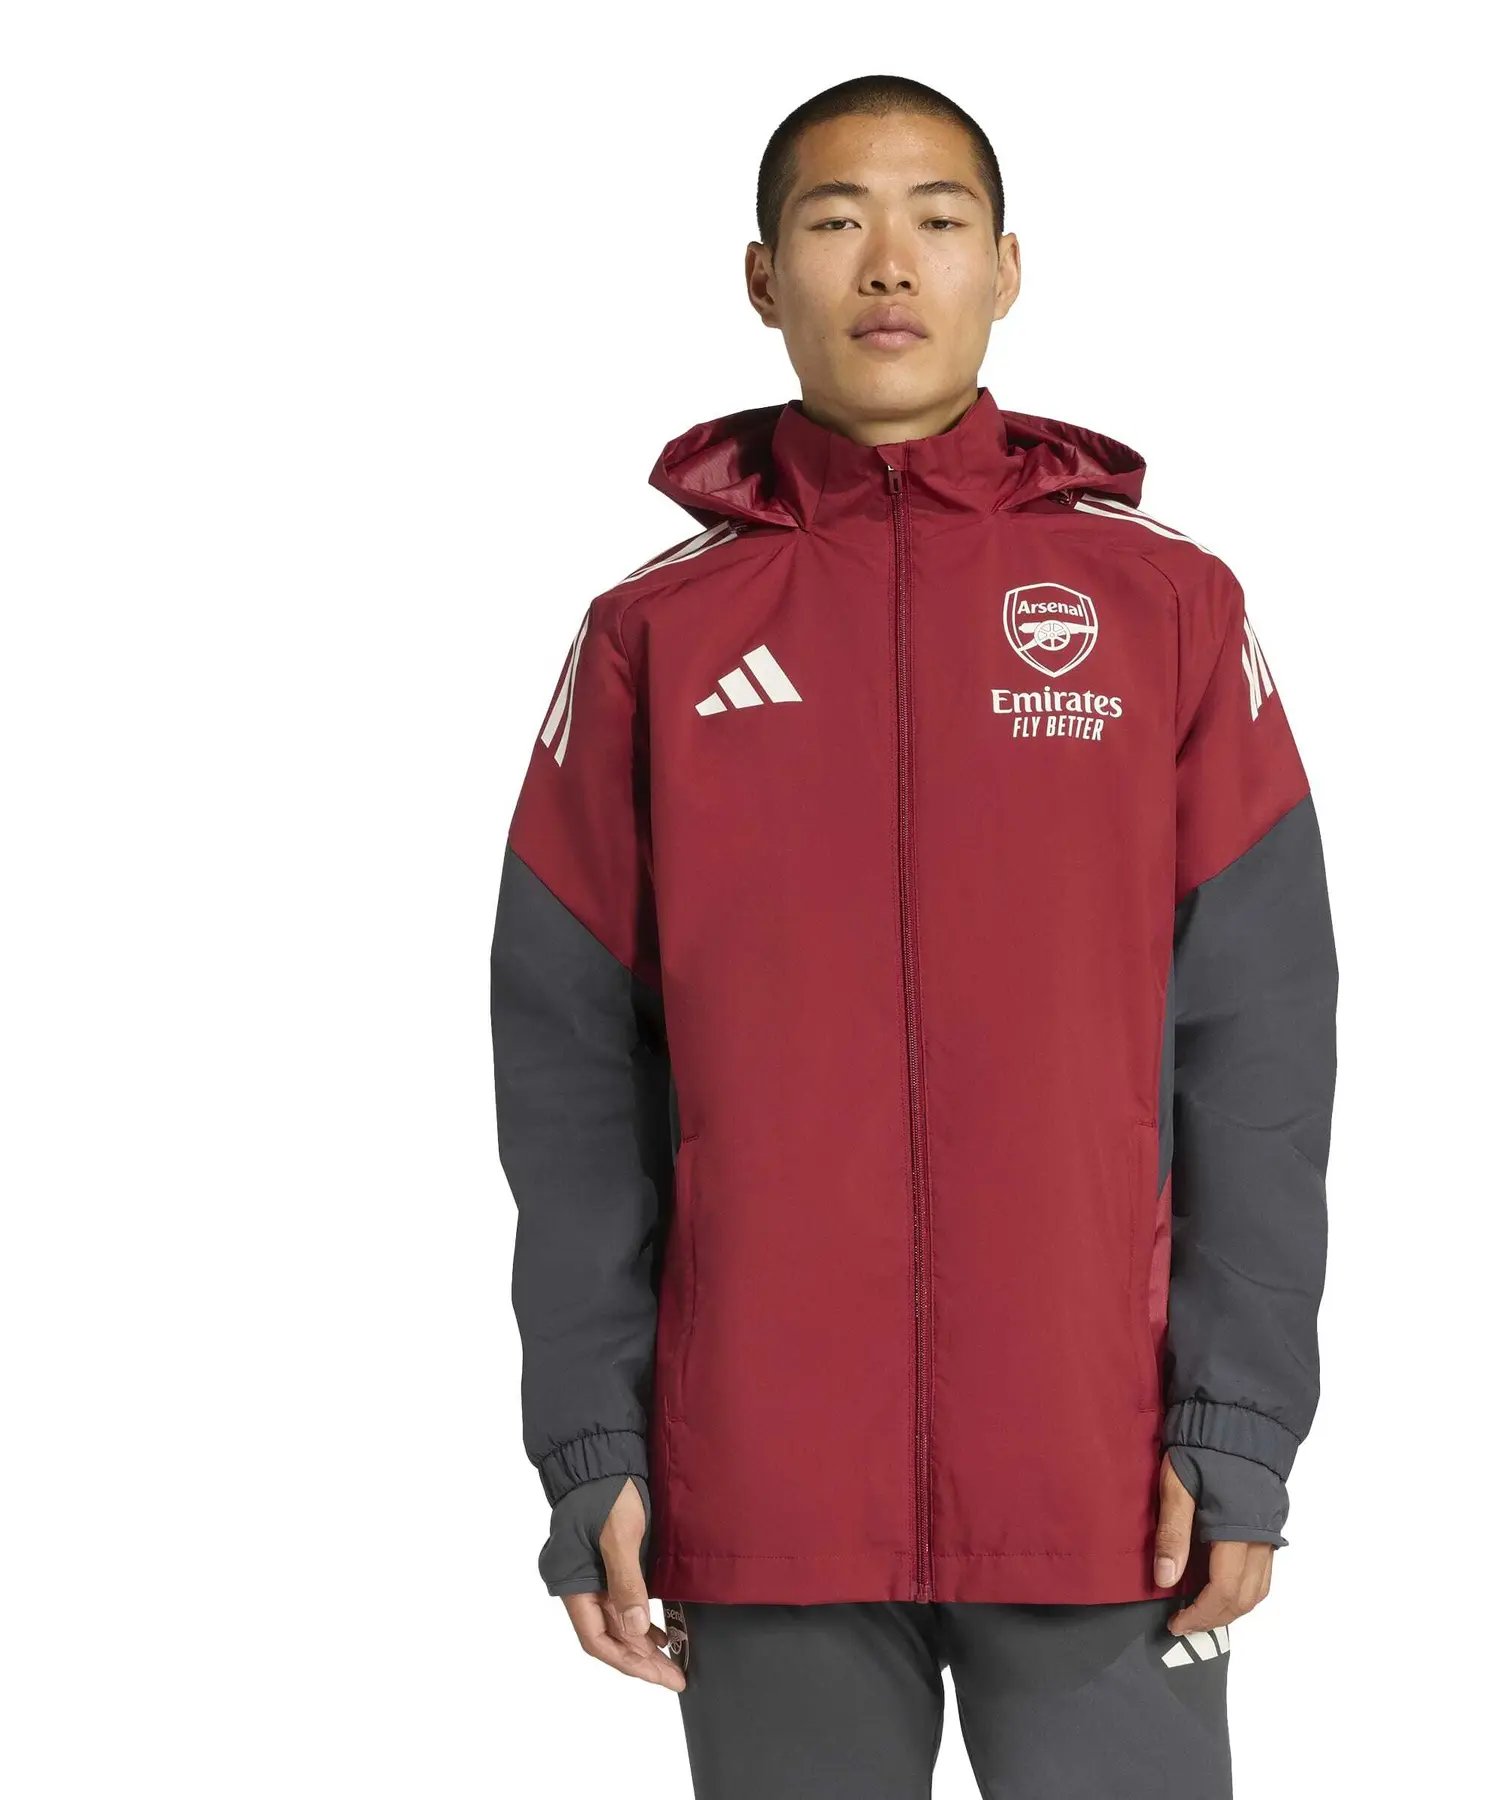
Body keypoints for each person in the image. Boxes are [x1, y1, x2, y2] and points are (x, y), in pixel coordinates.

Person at [489, 72, 1337, 1799]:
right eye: (836, 220)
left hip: (1106, 1478)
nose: (890, 262)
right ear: (763, 276)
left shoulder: (1164, 609)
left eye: (939, 220)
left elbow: (1260, 1048)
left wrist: (1237, 1424)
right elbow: (569, 1077)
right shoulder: (654, 637)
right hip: (763, 1478)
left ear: (1006, 267)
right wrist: (591, 1439)